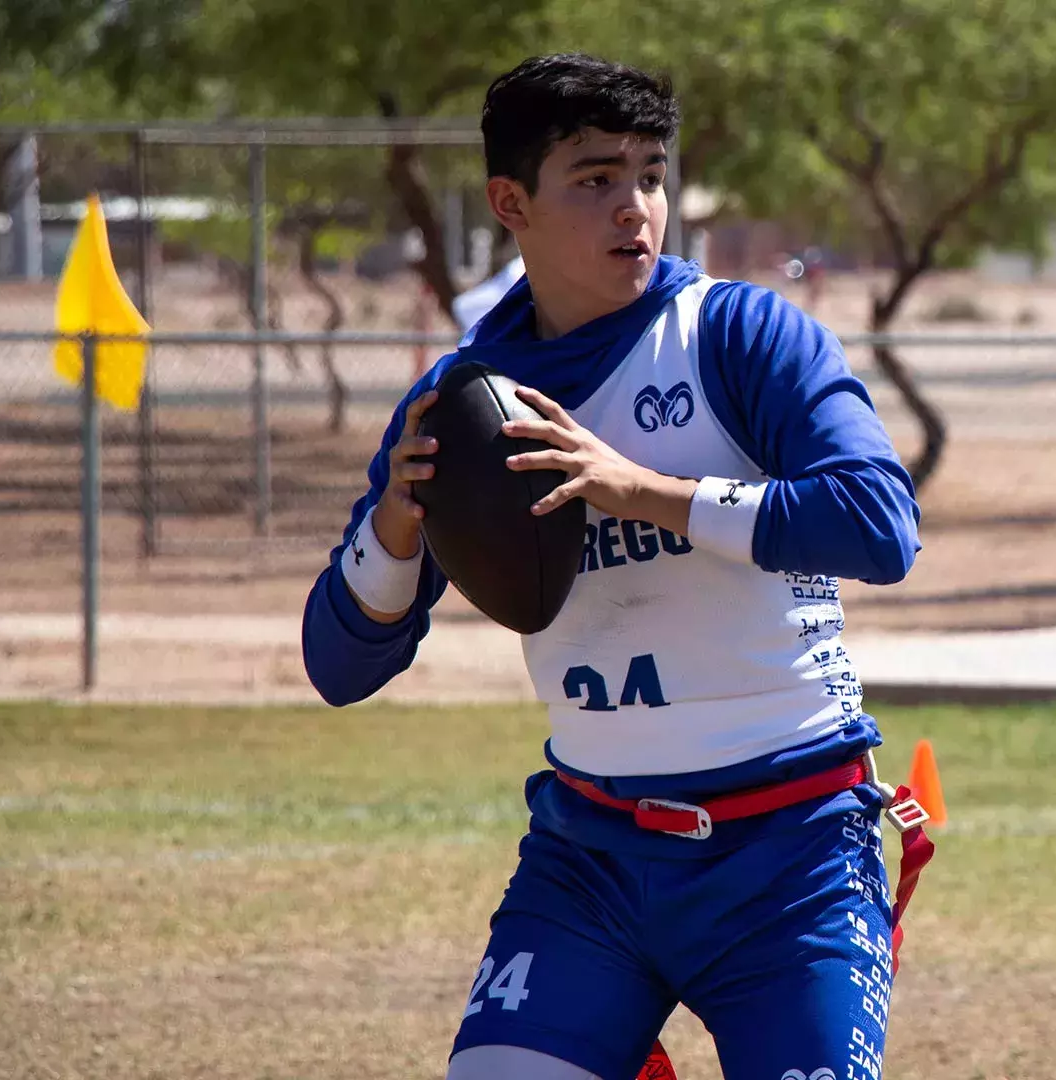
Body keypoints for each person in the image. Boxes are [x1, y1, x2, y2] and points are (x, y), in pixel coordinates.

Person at [300, 53, 930, 1080]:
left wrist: (644, 492)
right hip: (591, 857)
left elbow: (879, 526)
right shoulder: (464, 403)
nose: (635, 207)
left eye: (648, 173)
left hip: (794, 852)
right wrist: (398, 526)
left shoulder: (740, 334)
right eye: (594, 179)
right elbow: (338, 666)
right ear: (511, 203)